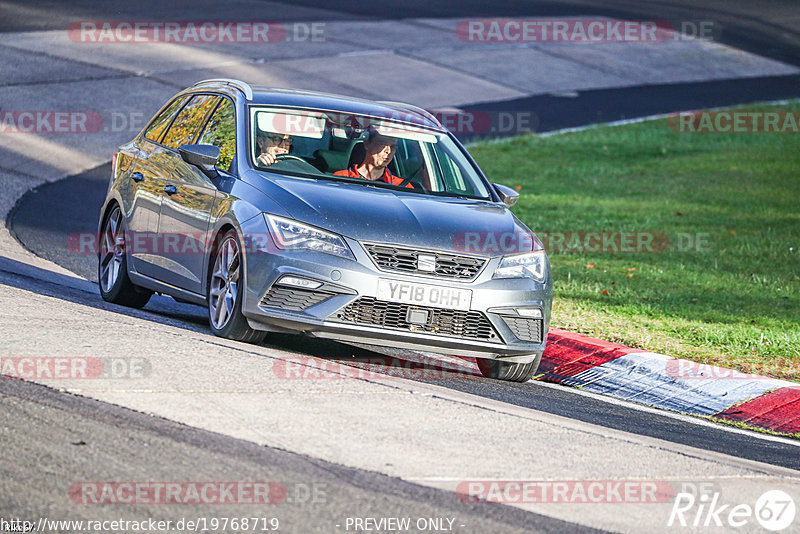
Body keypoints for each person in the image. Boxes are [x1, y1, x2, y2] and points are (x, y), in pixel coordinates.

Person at [334, 129, 413, 188]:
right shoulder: (341, 178)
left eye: (392, 147)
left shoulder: (402, 186)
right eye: (383, 144)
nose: (388, 151)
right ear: (367, 144)